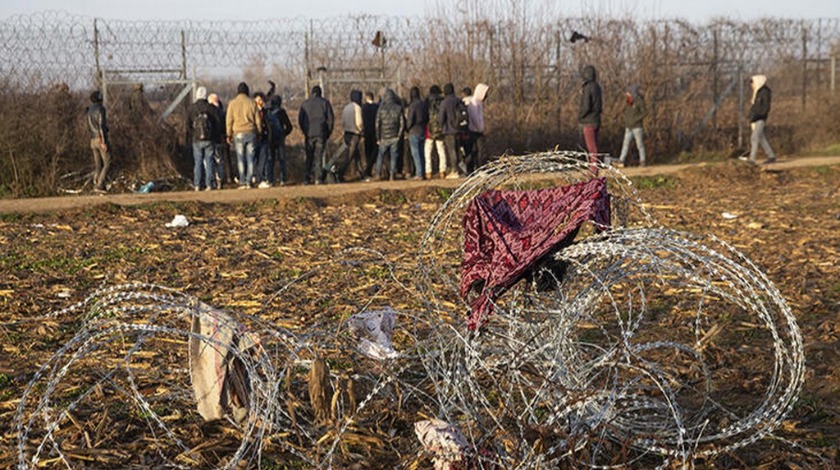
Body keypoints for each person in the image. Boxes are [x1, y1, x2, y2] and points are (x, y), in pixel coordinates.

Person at [226, 81, 262, 189]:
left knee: (240, 158)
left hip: (238, 133)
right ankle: (249, 181)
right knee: (250, 158)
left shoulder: (232, 103)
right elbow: (258, 120)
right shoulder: (252, 103)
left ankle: (242, 181)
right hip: (251, 132)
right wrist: (259, 132)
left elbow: (229, 120)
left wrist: (229, 134)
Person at [187, 86, 222, 191]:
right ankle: (209, 184)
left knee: (198, 162)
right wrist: (216, 137)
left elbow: (187, 124)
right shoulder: (210, 108)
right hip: (209, 139)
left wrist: (189, 137)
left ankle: (197, 184)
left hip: (196, 139)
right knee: (209, 161)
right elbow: (217, 123)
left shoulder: (191, 108)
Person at [298, 85, 335, 184]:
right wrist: (327, 132)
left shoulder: (305, 104)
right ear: (320, 93)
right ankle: (318, 178)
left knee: (309, 156)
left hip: (309, 133)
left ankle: (307, 178)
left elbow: (300, 120)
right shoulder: (325, 103)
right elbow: (331, 119)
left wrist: (305, 131)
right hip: (321, 133)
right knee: (319, 156)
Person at [328, 89, 364, 182]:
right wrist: (361, 130)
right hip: (355, 133)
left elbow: (343, 121)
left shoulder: (346, 107)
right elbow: (359, 122)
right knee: (350, 155)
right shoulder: (357, 108)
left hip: (347, 132)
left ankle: (362, 172)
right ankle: (340, 173)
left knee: (356, 154)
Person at [743, 74, 777, 165]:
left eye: (752, 83)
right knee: (761, 137)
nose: (752, 86)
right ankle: (771, 156)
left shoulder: (765, 92)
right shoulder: (757, 92)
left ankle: (752, 159)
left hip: (760, 118)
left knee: (754, 137)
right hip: (755, 118)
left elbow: (765, 107)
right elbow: (754, 106)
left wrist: (758, 115)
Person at [374, 88, 406, 181]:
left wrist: (378, 137)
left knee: (380, 156)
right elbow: (402, 123)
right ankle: (392, 174)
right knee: (393, 156)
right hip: (394, 137)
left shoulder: (381, 109)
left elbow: (377, 124)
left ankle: (378, 174)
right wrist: (399, 136)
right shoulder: (398, 108)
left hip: (384, 137)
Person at [86, 90, 111, 193]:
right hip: (100, 138)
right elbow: (101, 126)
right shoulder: (101, 109)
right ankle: (100, 184)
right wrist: (103, 142)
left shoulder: (89, 110)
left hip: (92, 140)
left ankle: (96, 183)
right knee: (108, 162)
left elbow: (90, 127)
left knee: (98, 164)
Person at [617, 84, 647, 167]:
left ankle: (642, 161)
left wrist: (636, 119)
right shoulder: (628, 102)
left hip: (637, 127)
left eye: (629, 92)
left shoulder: (639, 101)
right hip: (628, 127)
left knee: (639, 145)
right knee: (625, 144)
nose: (627, 93)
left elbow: (644, 112)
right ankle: (621, 160)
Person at [439, 83, 465, 178]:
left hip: (449, 130)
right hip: (459, 129)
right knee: (458, 150)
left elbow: (441, 117)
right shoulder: (458, 100)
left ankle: (455, 170)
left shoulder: (445, 102)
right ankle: (461, 170)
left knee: (452, 151)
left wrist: (440, 127)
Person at [578, 64, 603, 169]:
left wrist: (580, 116)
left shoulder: (587, 88)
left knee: (592, 148)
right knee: (595, 146)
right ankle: (594, 168)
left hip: (588, 121)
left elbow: (586, 105)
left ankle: (593, 170)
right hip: (596, 120)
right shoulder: (597, 87)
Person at [462, 83, 489, 173]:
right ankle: (475, 169)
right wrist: (480, 128)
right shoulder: (474, 102)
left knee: (478, 152)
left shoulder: (478, 102)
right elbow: (475, 118)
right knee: (476, 152)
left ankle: (479, 168)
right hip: (474, 131)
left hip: (477, 131)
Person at [268, 95, 293, 185]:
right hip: (280, 139)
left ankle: (270, 179)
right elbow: (289, 127)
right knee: (282, 159)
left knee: (270, 160)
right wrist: (284, 134)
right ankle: (283, 179)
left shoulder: (268, 112)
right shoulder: (282, 112)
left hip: (270, 139)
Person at [424, 85, 447, 179]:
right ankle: (443, 171)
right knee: (441, 150)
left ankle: (428, 171)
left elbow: (425, 115)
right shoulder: (442, 101)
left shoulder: (427, 101)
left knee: (427, 151)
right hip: (440, 129)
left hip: (429, 129)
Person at [405, 86, 428, 180]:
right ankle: (423, 172)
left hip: (413, 131)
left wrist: (407, 128)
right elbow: (427, 117)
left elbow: (410, 119)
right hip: (422, 129)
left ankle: (419, 174)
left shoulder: (412, 105)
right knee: (422, 153)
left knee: (416, 153)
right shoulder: (423, 104)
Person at [207, 93, 230, 187]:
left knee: (208, 160)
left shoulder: (207, 111)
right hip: (219, 139)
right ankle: (219, 179)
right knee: (219, 160)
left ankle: (210, 181)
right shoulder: (222, 113)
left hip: (209, 138)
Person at [362, 91, 379, 179]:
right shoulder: (377, 107)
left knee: (368, 152)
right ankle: (374, 169)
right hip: (375, 132)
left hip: (367, 132)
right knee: (375, 151)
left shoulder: (364, 108)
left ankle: (368, 171)